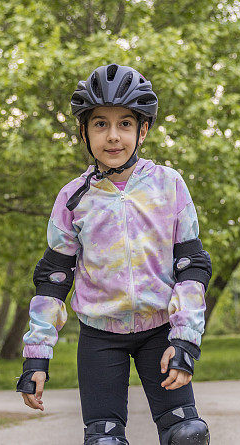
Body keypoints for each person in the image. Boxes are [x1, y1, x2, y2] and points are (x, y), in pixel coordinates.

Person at [16, 64, 211, 445]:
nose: (113, 136)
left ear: (143, 130)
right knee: (104, 441)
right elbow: (54, 281)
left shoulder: (168, 185)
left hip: (160, 331)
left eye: (125, 123)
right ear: (84, 133)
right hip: (99, 336)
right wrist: (36, 356)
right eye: (100, 124)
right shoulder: (74, 198)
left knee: (186, 435)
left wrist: (185, 339)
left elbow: (191, 267)